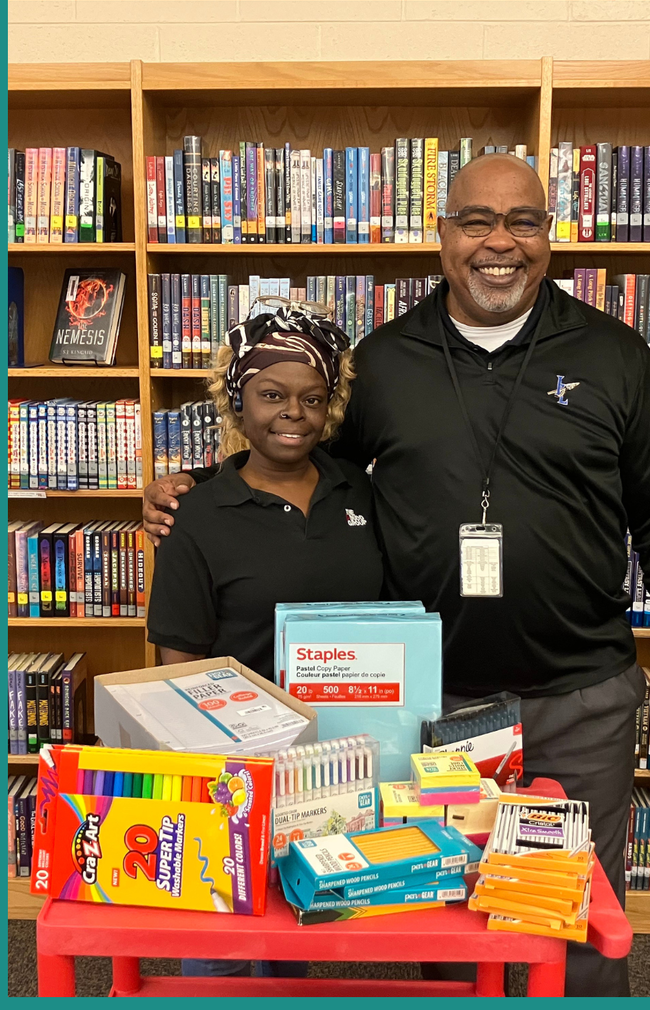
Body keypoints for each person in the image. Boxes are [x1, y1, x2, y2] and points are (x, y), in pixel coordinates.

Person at [143, 154, 650, 997]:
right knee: (446, 919)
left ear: (548, 235)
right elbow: (299, 459)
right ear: (442, 235)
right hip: (433, 708)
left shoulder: (612, 354)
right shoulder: (384, 360)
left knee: (578, 923)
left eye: (522, 221)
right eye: (476, 222)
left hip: (581, 697)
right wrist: (197, 491)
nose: (499, 243)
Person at [147, 302, 383, 978]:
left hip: (336, 758)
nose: (294, 413)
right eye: (271, 395)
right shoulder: (195, 514)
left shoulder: (362, 496)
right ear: (237, 402)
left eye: (313, 398)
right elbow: (179, 662)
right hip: (234, 768)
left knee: (293, 940)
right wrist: (208, 779)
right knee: (218, 946)